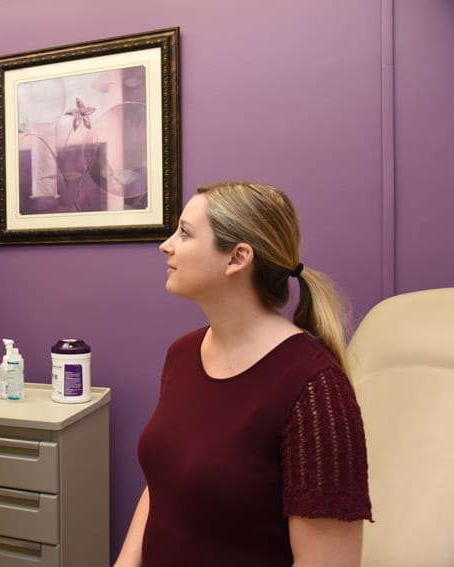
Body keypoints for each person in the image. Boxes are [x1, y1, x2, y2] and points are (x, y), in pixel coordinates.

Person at [114, 182, 372, 566]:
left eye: (185, 233)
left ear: (237, 258)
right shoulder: (182, 354)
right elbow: (162, 485)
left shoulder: (315, 387)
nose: (166, 245)